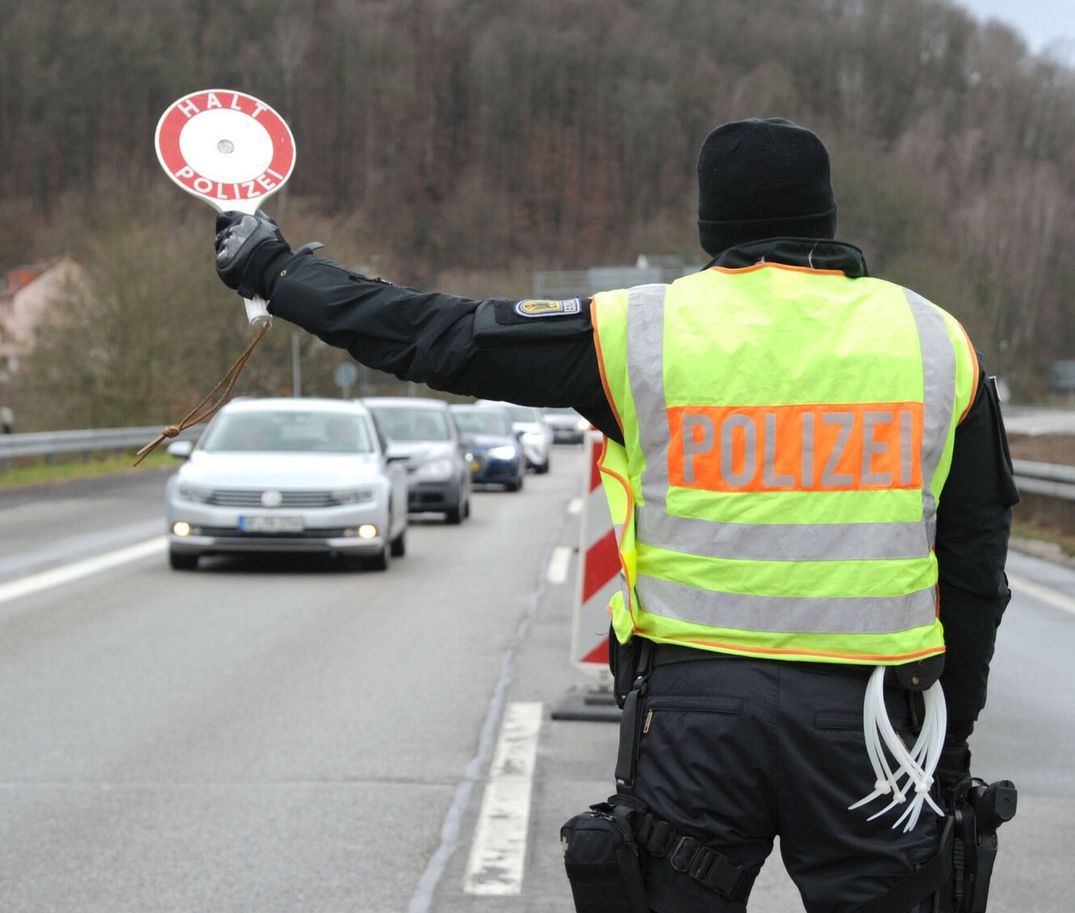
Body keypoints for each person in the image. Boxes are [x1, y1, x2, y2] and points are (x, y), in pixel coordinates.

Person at [213, 117, 1017, 913]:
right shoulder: (934, 340)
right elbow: (977, 569)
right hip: (876, 724)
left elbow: (439, 334)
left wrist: (279, 275)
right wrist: (949, 748)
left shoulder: (643, 329)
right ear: (826, 216)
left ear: (712, 225)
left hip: (696, 718)